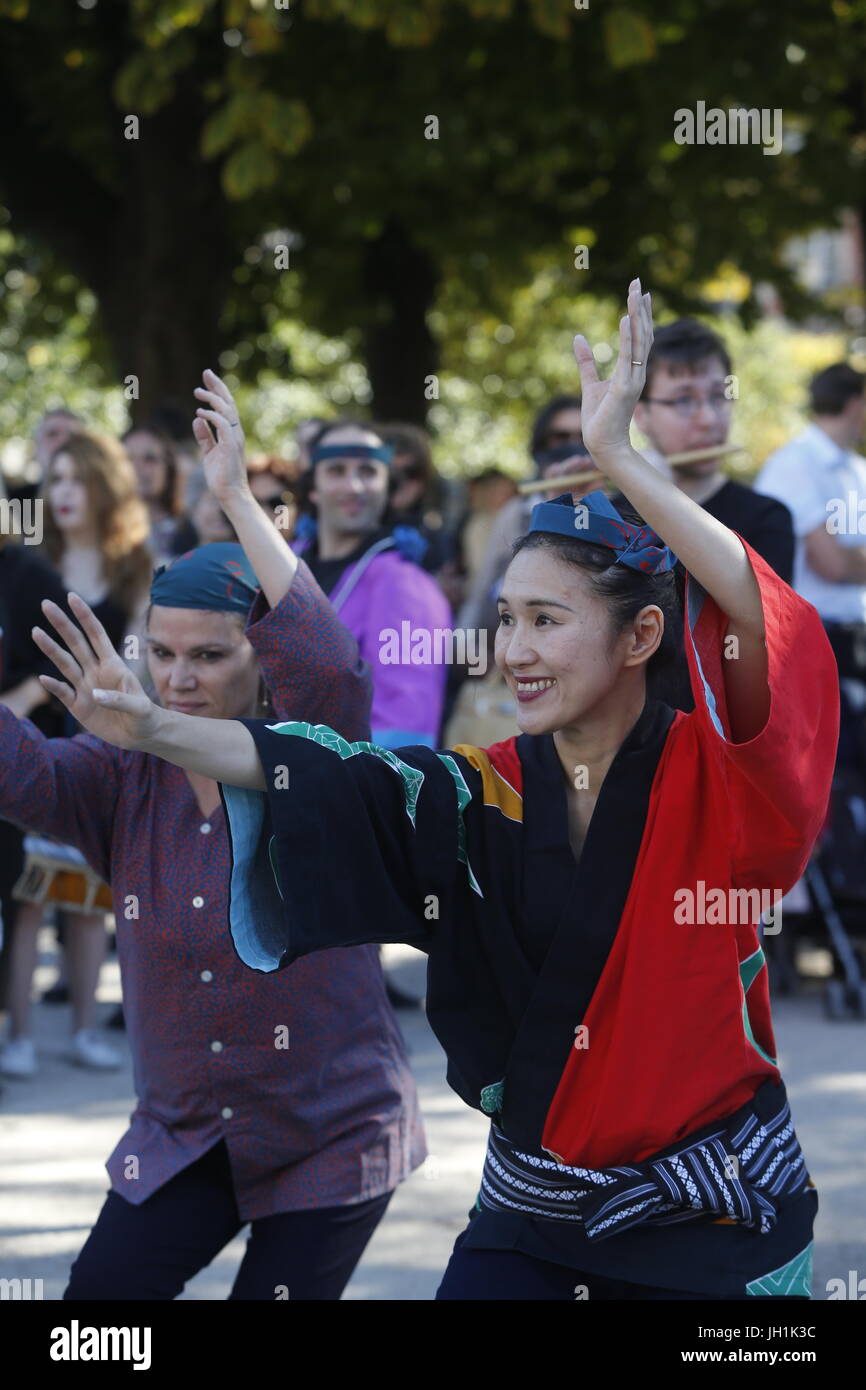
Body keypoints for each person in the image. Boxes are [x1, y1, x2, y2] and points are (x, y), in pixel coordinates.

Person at [34, 287, 840, 1301]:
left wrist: (624, 458)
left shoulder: (726, 790)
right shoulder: (486, 789)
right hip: (532, 1214)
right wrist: (146, 725)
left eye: (547, 621)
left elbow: (771, 628)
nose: (515, 652)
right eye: (506, 619)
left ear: (640, 639)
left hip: (715, 1223)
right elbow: (331, 771)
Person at [2, 369, 425, 1299]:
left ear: (260, 661)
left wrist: (234, 497)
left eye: (208, 655)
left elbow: (333, 671)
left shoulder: (315, 759)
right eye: (161, 654)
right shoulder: (121, 773)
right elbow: (22, 771)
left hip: (329, 1134)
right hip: (187, 1136)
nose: (180, 678)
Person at [1, 433, 152, 1077]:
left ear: (103, 488)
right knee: (28, 891)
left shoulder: (135, 565)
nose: (61, 492)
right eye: (53, 479)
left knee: (88, 890)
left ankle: (88, 1028)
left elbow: (143, 655)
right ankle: (21, 1033)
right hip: (34, 731)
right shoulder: (34, 560)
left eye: (76, 480)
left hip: (101, 734)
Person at [293, 419, 453, 749]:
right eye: (336, 470)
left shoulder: (409, 587)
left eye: (368, 471)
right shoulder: (283, 563)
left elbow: (406, 727)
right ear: (313, 486)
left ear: (388, 488)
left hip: (343, 787)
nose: (353, 486)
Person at [633, 318, 794, 583]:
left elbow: (760, 620)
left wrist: (663, 499)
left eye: (719, 396)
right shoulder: (610, 517)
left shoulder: (766, 518)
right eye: (684, 400)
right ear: (641, 415)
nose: (708, 419)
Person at [754, 363, 866, 676]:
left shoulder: (856, 468)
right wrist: (848, 559)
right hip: (818, 641)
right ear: (856, 403)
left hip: (854, 637)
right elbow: (833, 564)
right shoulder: (794, 464)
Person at [122, 424, 186, 565]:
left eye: (150, 459)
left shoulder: (190, 532)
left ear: (168, 469)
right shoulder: (98, 528)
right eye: (128, 458)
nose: (137, 467)